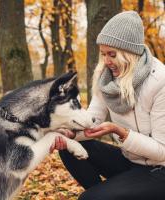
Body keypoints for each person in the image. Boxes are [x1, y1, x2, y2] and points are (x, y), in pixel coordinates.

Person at [50, 11, 165, 200]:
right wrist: (71, 133)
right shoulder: (106, 78)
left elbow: (162, 150)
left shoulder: (159, 81)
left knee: (89, 198)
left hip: (160, 170)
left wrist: (121, 132)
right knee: (69, 147)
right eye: (103, 54)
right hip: (130, 160)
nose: (106, 61)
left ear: (130, 54)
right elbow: (92, 120)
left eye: (112, 54)